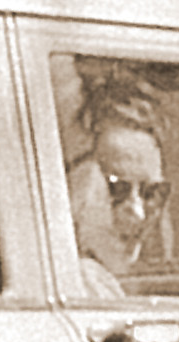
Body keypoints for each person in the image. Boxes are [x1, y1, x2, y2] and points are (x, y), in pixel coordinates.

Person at [65, 122, 169, 296]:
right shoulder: (81, 284)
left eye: (151, 192)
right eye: (118, 189)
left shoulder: (157, 283)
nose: (138, 213)